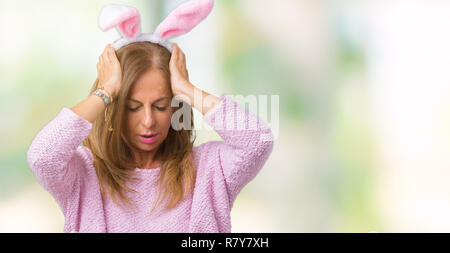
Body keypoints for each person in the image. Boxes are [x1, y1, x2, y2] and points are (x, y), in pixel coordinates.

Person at [26, 41, 274, 233]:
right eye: (132, 108)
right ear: (112, 110)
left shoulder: (209, 168)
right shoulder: (83, 173)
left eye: (160, 106)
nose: (148, 121)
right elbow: (42, 156)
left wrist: (187, 89)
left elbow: (257, 141)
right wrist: (106, 92)